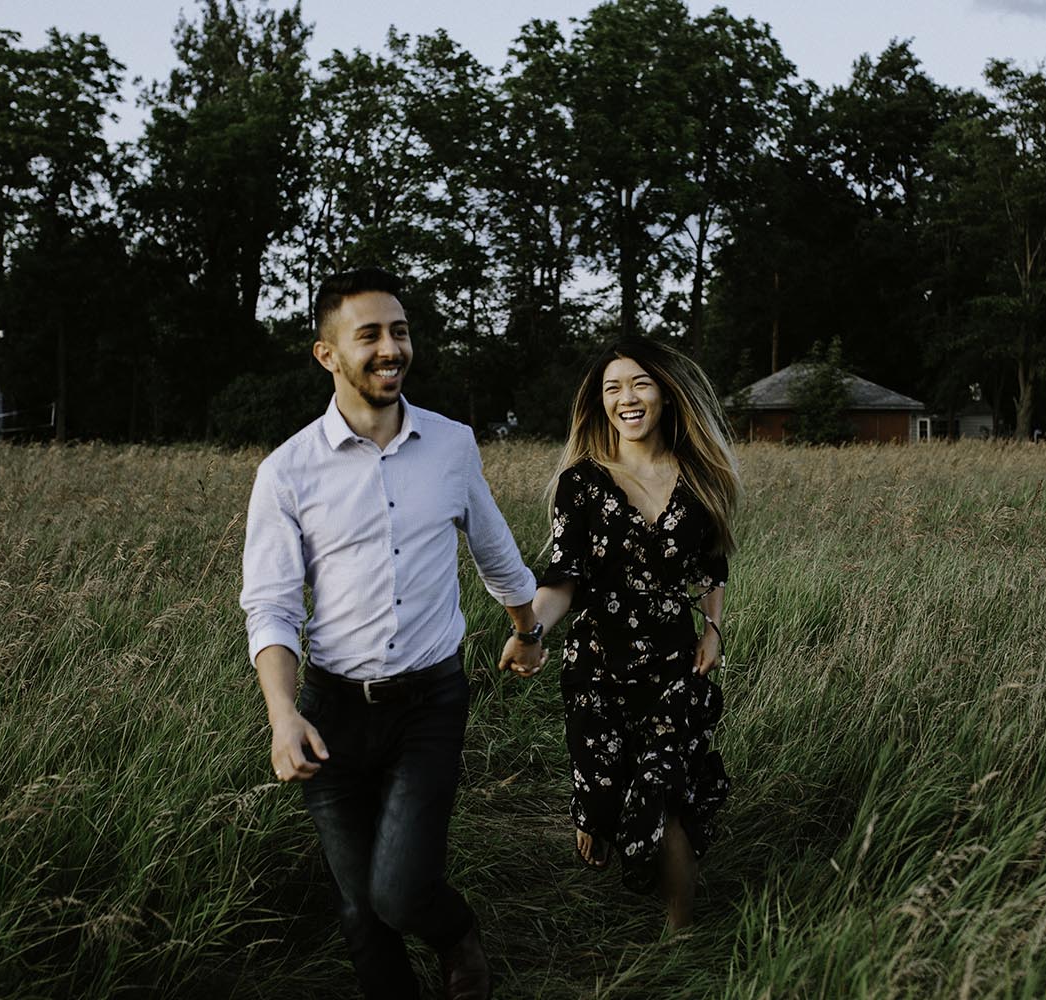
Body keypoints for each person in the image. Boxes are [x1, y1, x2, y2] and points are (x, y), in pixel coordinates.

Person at [241, 267, 546, 1000]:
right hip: (332, 713)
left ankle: (456, 933)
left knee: (400, 894)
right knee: (360, 910)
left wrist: (528, 628)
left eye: (400, 331)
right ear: (327, 354)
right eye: (369, 334)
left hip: (428, 706)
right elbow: (273, 606)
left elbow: (495, 551)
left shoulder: (451, 444)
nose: (390, 348)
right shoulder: (286, 472)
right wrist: (284, 715)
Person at [518, 336, 739, 931]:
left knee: (665, 789)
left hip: (673, 666)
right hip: (596, 670)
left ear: (665, 392)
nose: (627, 398)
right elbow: (563, 579)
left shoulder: (700, 479)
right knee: (611, 795)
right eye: (612, 388)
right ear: (600, 403)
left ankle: (680, 930)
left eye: (639, 383)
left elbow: (712, 568)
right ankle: (598, 811)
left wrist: (713, 629)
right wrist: (532, 629)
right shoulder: (582, 484)